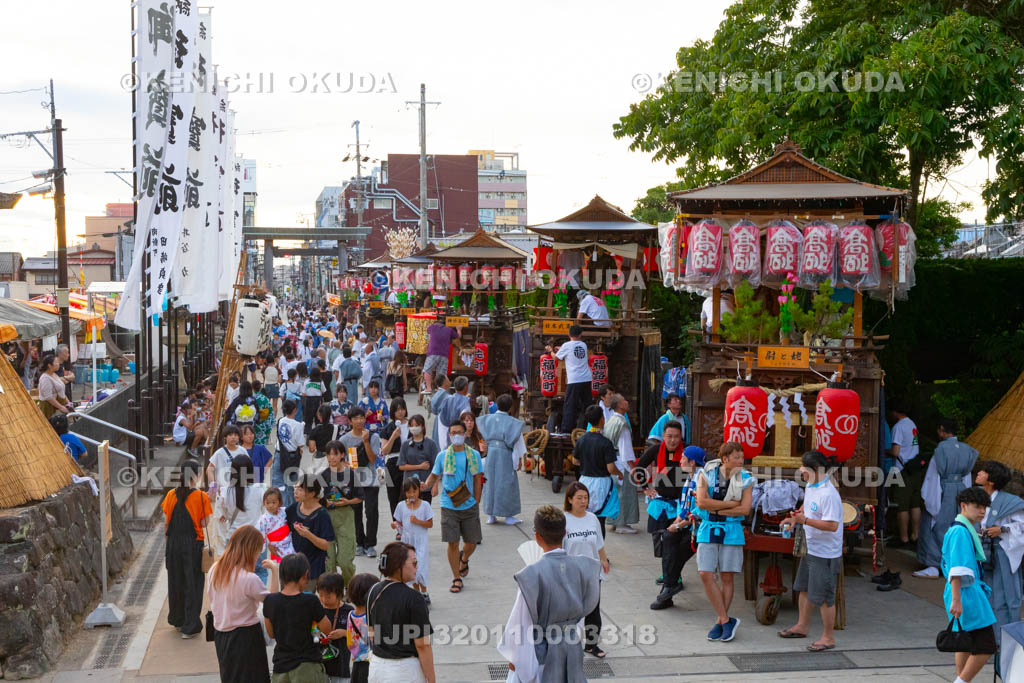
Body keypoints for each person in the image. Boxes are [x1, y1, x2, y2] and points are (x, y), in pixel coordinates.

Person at [497, 505, 601, 682]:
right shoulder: (583, 568)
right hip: (572, 649)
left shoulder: (531, 575)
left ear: (537, 536)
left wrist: (517, 659)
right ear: (565, 532)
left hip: (543, 655)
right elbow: (581, 615)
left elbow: (521, 624)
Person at [778, 451, 844, 652]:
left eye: (803, 468)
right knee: (804, 588)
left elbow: (832, 525)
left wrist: (804, 520)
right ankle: (802, 626)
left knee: (824, 596)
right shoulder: (811, 486)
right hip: (811, 546)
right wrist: (795, 518)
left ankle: (828, 637)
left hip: (826, 553)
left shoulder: (829, 493)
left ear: (814, 470)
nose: (800, 471)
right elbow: (807, 510)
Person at [634, 426, 703, 610]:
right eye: (669, 436)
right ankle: (670, 578)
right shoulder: (656, 450)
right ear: (663, 436)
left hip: (683, 507)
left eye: (676, 437)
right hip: (662, 503)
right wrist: (645, 487)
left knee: (673, 542)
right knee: (661, 542)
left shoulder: (689, 455)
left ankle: (671, 580)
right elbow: (638, 467)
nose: (673, 440)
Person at [694, 441, 754, 642]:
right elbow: (701, 502)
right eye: (736, 457)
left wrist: (716, 508)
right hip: (708, 527)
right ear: (725, 459)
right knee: (705, 573)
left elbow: (744, 509)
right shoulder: (706, 474)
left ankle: (721, 622)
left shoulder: (746, 479)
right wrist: (728, 505)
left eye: (742, 457)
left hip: (732, 530)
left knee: (727, 577)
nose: (741, 460)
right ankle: (726, 619)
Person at [941, 486, 998, 683]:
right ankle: (961, 681)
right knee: (987, 645)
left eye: (984, 507)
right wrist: (957, 600)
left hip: (963, 591)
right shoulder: (961, 532)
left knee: (963, 640)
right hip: (965, 593)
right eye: (977, 507)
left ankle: (961, 679)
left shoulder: (961, 528)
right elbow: (957, 569)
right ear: (963, 506)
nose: (982, 511)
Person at [208, 526, 279, 683]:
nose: (257, 557)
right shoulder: (248, 579)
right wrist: (274, 571)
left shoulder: (215, 569)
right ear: (250, 550)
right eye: (257, 552)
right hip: (246, 638)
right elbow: (273, 603)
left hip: (221, 635)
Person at [421, 421, 484, 595]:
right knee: (452, 541)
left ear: (464, 434)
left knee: (471, 542)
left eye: (459, 432)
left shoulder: (473, 455)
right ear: (449, 435)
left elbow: (478, 478)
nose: (456, 435)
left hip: (469, 504)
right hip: (448, 505)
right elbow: (434, 475)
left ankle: (464, 559)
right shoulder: (443, 456)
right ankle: (456, 577)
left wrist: (477, 499)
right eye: (453, 432)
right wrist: (425, 486)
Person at [915, 419, 979, 578]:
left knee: (935, 526)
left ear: (942, 430)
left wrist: (929, 500)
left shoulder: (941, 450)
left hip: (942, 491)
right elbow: (967, 477)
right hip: (960, 491)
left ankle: (933, 565)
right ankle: (952, 565)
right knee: (956, 527)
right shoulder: (967, 450)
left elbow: (933, 477)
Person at [365, 542, 436, 682]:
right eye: (414, 563)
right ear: (399, 566)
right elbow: (423, 645)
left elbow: (371, 633)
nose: (417, 567)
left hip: (376, 668)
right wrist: (432, 679)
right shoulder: (414, 598)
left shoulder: (373, 590)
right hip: (404, 671)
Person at [160, 459, 211, 639]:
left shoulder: (171, 495)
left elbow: (167, 525)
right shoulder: (201, 497)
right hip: (192, 545)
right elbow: (205, 522)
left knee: (175, 582)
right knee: (193, 584)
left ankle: (178, 619)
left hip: (173, 544)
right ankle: (190, 625)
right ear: (196, 476)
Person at [975, 460, 1024, 645]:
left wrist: (1002, 529)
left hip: (1003, 553)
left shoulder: (1011, 502)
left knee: (1005, 596)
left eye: (983, 471)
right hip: (983, 553)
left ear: (992, 480)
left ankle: (1007, 641)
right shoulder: (976, 498)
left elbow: (1022, 525)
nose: (978, 473)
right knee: (985, 595)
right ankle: (987, 639)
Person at [263, 553, 332, 683]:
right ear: (306, 575)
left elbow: (271, 634)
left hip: (281, 668)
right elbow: (327, 629)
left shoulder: (270, 601)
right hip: (307, 667)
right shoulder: (311, 601)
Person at [563, 483, 612, 659]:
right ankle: (567, 646)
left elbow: (599, 543)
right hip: (570, 573)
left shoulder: (592, 518)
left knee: (593, 609)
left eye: (586, 498)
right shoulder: (563, 520)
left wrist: (604, 561)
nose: (583, 501)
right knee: (570, 612)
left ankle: (592, 645)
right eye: (579, 498)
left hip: (592, 572)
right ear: (570, 499)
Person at [342, 406, 383, 558]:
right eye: (355, 418)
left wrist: (365, 442)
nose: (359, 421)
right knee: (355, 513)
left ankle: (370, 544)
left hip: (371, 480)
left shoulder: (373, 437)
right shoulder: (344, 440)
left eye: (361, 418)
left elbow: (373, 459)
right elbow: (341, 461)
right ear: (350, 421)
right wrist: (347, 466)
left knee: (371, 512)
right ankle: (359, 543)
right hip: (354, 482)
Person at [573, 405, 620, 537]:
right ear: (601, 420)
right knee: (599, 521)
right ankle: (600, 555)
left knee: (584, 518)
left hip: (584, 482)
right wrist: (620, 473)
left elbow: (575, 461)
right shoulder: (606, 443)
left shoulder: (581, 440)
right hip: (601, 484)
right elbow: (610, 468)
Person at [479, 394, 526, 526]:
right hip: (505, 454)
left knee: (490, 482)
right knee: (506, 483)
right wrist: (518, 461)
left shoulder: (487, 419)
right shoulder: (513, 423)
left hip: (491, 453)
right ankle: (509, 516)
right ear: (510, 407)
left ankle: (491, 515)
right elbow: (518, 443)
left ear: (497, 405)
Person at [320, 440, 363, 585]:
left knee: (345, 561)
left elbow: (360, 497)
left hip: (346, 519)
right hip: (327, 520)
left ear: (342, 455)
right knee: (329, 562)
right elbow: (316, 497)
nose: (331, 458)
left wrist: (347, 502)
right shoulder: (322, 476)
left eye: (335, 454)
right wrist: (325, 502)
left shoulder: (350, 474)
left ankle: (349, 586)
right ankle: (333, 592)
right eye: (329, 454)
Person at [286, 474, 336, 581]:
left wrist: (308, 535)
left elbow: (326, 545)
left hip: (313, 568)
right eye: (295, 488)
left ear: (312, 493)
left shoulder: (322, 515)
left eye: (300, 489)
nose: (295, 491)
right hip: (292, 566)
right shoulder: (292, 509)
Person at [392, 481, 435, 602]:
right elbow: (399, 523)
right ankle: (416, 593)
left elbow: (430, 524)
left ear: (419, 491)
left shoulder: (425, 505)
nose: (411, 494)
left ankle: (424, 591)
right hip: (407, 542)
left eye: (414, 491)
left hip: (420, 541)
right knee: (411, 568)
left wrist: (417, 521)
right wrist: (395, 525)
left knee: (420, 567)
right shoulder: (401, 506)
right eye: (408, 492)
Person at [545, 325, 591, 435]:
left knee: (570, 405)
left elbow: (556, 357)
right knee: (587, 405)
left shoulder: (567, 345)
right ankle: (587, 427)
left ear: (569, 334)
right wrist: (561, 349)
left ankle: (567, 430)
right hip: (586, 378)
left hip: (574, 380)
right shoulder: (583, 345)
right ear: (580, 335)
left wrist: (551, 350)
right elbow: (571, 350)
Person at [888, 404, 923, 548]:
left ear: (895, 412)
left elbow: (896, 452)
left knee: (902, 505)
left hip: (902, 470)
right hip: (915, 468)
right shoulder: (911, 423)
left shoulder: (899, 426)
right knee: (915, 504)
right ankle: (916, 535)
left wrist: (884, 451)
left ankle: (904, 539)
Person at [603, 394, 638, 534]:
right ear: (619, 405)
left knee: (615, 493)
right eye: (624, 400)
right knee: (624, 493)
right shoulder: (622, 424)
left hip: (612, 460)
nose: (627, 402)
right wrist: (632, 466)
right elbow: (626, 449)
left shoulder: (611, 420)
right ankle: (621, 523)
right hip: (621, 461)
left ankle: (615, 521)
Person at [317, 572, 354, 683]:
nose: (324, 599)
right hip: (319, 662)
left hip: (340, 663)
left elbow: (360, 635)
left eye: (328, 596)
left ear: (339, 594)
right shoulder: (316, 608)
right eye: (320, 595)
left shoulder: (348, 611)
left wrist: (344, 633)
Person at [398, 414, 439, 504]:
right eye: (412, 425)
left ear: (423, 426)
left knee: (424, 515)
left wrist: (435, 486)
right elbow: (401, 466)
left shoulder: (431, 444)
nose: (414, 428)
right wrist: (419, 466)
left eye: (417, 425)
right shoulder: (406, 444)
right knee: (408, 513)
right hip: (409, 488)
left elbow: (437, 467)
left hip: (425, 487)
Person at [381, 398, 410, 519]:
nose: (400, 412)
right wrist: (393, 437)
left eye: (402, 409)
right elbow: (384, 451)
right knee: (393, 496)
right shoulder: (387, 429)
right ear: (392, 411)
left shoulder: (412, 424)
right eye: (397, 410)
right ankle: (397, 524)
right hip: (392, 463)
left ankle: (409, 522)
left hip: (409, 462)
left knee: (408, 494)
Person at [345, 574, 376, 683]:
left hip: (356, 664)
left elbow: (350, 643)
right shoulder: (371, 617)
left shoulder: (350, 615)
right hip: (371, 664)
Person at [275, 400, 306, 508]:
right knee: (291, 486)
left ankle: (281, 508)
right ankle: (291, 509)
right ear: (295, 410)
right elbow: (301, 444)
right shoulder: (297, 425)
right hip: (292, 457)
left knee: (279, 485)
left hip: (279, 455)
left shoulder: (280, 421)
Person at [258, 487, 295, 565]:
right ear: (264, 503)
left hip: (290, 543)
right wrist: (262, 547)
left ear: (280, 502)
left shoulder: (284, 511)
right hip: (277, 547)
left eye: (273, 502)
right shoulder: (263, 519)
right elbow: (261, 535)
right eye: (267, 503)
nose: (270, 505)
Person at [436, 376, 471, 452]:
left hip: (448, 434)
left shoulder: (447, 399)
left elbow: (441, 420)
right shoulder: (465, 402)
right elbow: (466, 421)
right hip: (460, 435)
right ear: (466, 387)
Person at [423, 319, 459, 392]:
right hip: (444, 354)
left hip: (433, 353)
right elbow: (458, 336)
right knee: (442, 373)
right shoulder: (449, 329)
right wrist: (459, 329)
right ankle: (441, 389)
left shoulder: (432, 327)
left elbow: (427, 329)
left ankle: (429, 388)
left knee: (427, 370)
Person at [36, 353, 71, 418]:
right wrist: (61, 407)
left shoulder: (54, 374)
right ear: (49, 365)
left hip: (59, 405)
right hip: (50, 408)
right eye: (56, 362)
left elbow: (61, 390)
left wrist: (68, 402)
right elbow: (49, 397)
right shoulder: (45, 378)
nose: (58, 364)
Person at [302, 368, 327, 436]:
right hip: (318, 400)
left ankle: (307, 432)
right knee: (318, 416)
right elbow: (324, 391)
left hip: (309, 399)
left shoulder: (307, 381)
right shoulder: (320, 382)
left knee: (308, 417)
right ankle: (318, 431)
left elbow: (303, 392)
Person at [428, 374, 451, 443]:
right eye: (448, 380)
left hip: (437, 421)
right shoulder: (448, 397)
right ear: (444, 382)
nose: (450, 381)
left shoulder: (435, 395)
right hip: (445, 422)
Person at [251, 381, 276, 446]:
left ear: (252, 388)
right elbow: (270, 413)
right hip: (263, 424)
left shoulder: (249, 398)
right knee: (262, 445)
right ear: (260, 388)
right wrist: (269, 427)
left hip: (251, 425)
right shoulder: (264, 398)